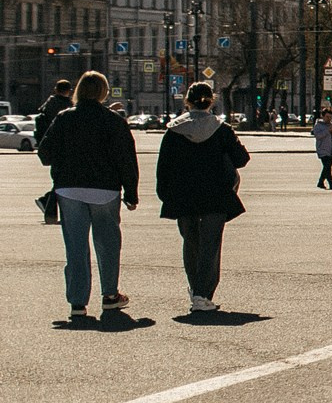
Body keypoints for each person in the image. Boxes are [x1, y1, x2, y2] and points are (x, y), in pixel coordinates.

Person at [38, 71, 139, 322]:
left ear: (79, 90)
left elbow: (45, 154)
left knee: (76, 247)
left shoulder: (64, 118)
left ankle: (77, 302)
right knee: (108, 244)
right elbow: (127, 159)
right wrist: (131, 193)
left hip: (69, 189)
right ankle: (110, 296)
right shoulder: (113, 120)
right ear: (104, 92)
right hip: (105, 190)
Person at [156, 80, 248, 315]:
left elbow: (163, 167)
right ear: (211, 101)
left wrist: (165, 194)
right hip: (215, 195)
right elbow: (241, 159)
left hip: (183, 195)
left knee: (190, 242)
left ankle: (195, 287)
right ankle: (202, 294)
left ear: (187, 101)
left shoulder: (174, 130)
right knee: (210, 245)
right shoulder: (221, 129)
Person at [33, 76, 71, 150]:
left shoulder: (50, 103)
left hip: (48, 139)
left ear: (56, 90)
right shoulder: (69, 105)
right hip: (64, 140)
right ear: (68, 91)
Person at [312, 106, 332, 188]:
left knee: (328, 167)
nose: (329, 119)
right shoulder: (318, 125)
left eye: (330, 117)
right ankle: (328, 182)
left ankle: (322, 183)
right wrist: (327, 131)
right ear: (323, 116)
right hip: (322, 149)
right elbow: (318, 136)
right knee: (327, 166)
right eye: (327, 117)